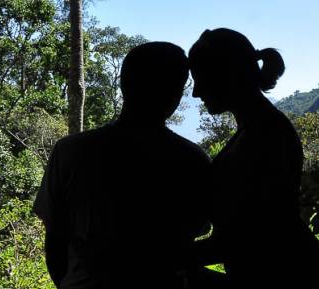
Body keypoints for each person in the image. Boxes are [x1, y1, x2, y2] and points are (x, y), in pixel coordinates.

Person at [34, 42, 210, 289]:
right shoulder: (192, 160)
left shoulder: (71, 151)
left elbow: (55, 244)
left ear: (123, 84)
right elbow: (193, 238)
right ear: (176, 93)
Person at [188, 28, 319, 289]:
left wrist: (158, 258)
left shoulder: (263, 136)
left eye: (201, 79)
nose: (196, 93)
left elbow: (249, 236)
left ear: (226, 75)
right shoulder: (261, 128)